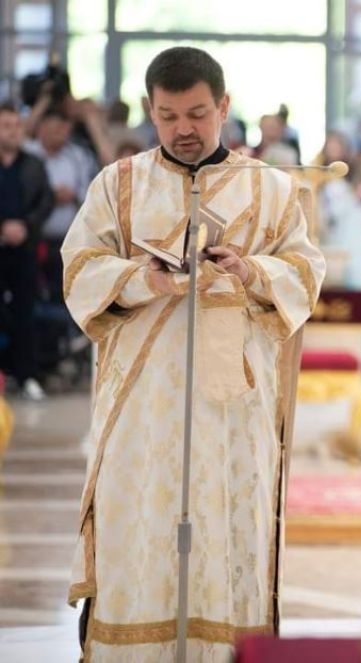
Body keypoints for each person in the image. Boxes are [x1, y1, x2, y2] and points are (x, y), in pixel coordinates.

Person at [62, 47, 325, 659]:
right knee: (141, 524)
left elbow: (303, 275)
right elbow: (79, 271)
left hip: (234, 401)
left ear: (224, 107)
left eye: (198, 114)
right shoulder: (118, 185)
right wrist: (140, 278)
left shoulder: (273, 189)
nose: (184, 129)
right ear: (152, 113)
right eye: (169, 115)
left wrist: (250, 270)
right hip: (142, 402)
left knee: (231, 524)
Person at [0, 102, 54, 400]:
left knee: (26, 312)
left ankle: (28, 374)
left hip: (25, 246)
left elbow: (44, 201)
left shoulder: (33, 164)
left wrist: (24, 227)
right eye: (6, 126)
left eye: (16, 126)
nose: (13, 131)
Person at [24, 108, 99, 303]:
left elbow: (92, 193)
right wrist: (49, 197)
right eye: (57, 127)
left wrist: (73, 195)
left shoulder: (78, 155)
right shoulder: (28, 153)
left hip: (68, 239)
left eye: (66, 128)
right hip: (32, 237)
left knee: (66, 295)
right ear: (42, 127)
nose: (62, 132)